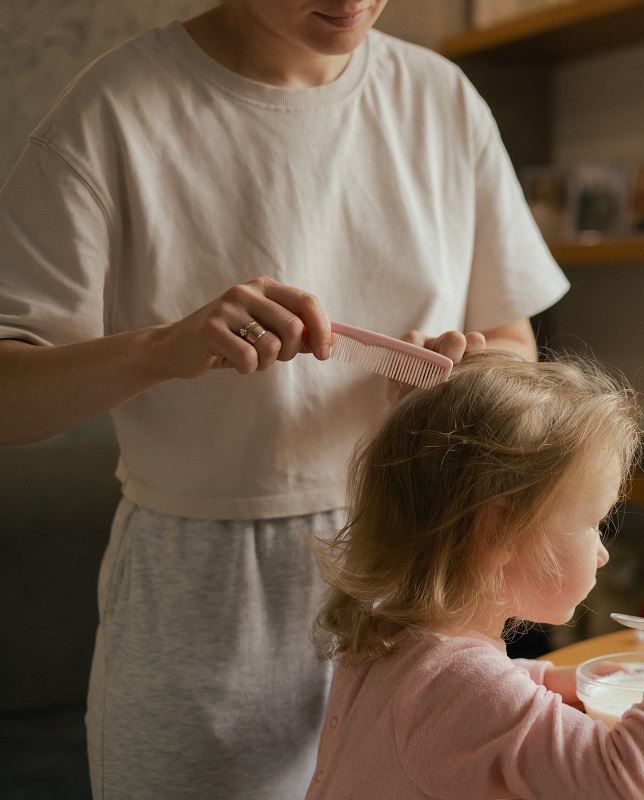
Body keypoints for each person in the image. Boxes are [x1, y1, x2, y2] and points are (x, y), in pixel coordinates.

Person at [0, 1, 568, 797]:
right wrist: (161, 349)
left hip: (414, 576)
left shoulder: (443, 100)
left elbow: (512, 342)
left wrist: (476, 372)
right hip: (203, 606)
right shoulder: (115, 111)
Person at [304, 352, 644, 800]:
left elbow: (458, 698)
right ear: (501, 530)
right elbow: (626, 779)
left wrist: (546, 680)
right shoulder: (459, 686)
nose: (603, 552)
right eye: (594, 523)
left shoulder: (388, 632)